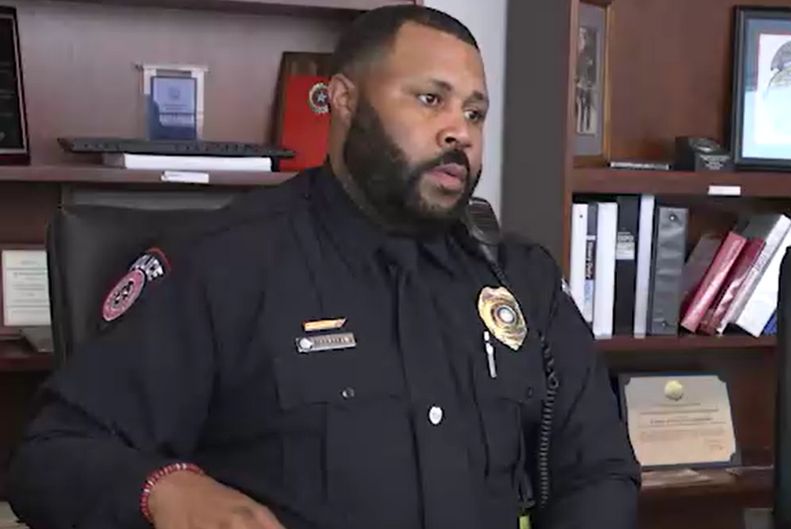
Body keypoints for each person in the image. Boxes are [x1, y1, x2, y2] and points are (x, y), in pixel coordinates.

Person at [5, 6, 640, 529]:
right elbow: (50, 459)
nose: (460, 133)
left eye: (474, 112)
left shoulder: (519, 279)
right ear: (342, 100)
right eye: (429, 99)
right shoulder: (225, 265)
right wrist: (169, 494)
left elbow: (598, 469)